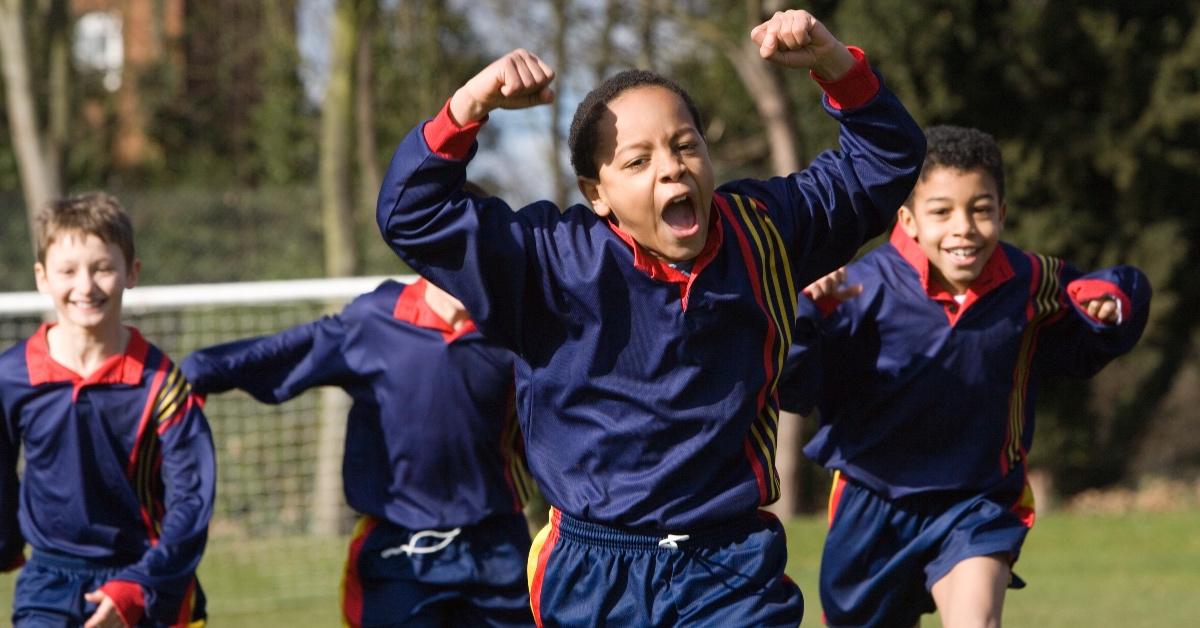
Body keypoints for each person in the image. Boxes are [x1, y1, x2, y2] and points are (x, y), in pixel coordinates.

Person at [375, 8, 925, 625]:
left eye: (686, 145)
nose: (671, 167)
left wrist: (835, 64)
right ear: (597, 193)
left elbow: (888, 160)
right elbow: (410, 214)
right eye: (637, 161)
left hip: (730, 564)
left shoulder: (765, 231)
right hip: (591, 571)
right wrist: (469, 104)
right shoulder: (550, 260)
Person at [784, 125, 1151, 627]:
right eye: (942, 211)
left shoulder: (1033, 281)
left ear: (1001, 212)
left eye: (980, 209)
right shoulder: (857, 288)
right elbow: (790, 386)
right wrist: (806, 318)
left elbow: (1100, 304)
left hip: (977, 500)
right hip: (871, 503)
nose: (964, 228)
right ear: (908, 220)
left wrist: (1113, 303)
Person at [180, 276, 536, 627]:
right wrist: (199, 372)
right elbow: (293, 352)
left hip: (499, 550)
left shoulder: (517, 327)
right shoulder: (375, 319)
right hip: (399, 555)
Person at [0, 192, 214, 627]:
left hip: (144, 577)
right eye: (67, 271)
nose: (85, 286)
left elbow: (191, 504)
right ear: (42, 277)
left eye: (102, 268)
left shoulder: (161, 384)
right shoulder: (12, 376)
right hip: (49, 582)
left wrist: (140, 587)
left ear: (131, 272)